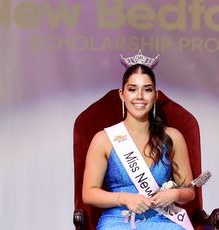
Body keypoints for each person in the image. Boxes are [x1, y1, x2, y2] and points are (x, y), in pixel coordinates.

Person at [82, 50, 195, 230]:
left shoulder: (173, 137)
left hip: (163, 218)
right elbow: (89, 193)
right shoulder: (104, 139)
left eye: (147, 89)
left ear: (156, 95)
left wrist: (174, 195)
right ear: (122, 94)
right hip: (119, 220)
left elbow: (189, 191)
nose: (140, 96)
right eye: (132, 89)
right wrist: (124, 198)